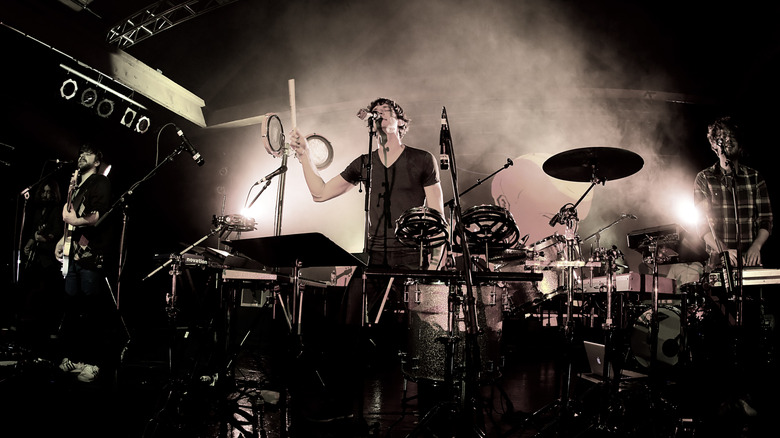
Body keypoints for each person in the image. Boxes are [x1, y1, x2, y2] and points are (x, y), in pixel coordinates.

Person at [288, 97, 445, 426]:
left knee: (427, 332)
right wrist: (304, 156)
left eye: (387, 110)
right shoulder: (365, 163)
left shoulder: (422, 159)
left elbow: (439, 217)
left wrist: (435, 261)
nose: (381, 114)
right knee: (348, 328)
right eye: (377, 112)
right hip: (374, 256)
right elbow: (320, 193)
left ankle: (435, 410)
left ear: (400, 121)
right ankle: (341, 403)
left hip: (413, 255)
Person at [692, 115, 774, 434]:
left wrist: (755, 246)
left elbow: (767, 218)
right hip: (719, 264)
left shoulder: (754, 178)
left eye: (732, 138)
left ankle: (747, 395)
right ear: (714, 145)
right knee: (720, 334)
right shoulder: (704, 179)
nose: (728, 143)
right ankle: (722, 398)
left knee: (751, 333)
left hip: (750, 266)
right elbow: (700, 225)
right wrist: (723, 250)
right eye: (722, 139)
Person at [54, 143, 113, 383]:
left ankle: (95, 363)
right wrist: (62, 239)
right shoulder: (78, 186)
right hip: (73, 253)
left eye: (87, 153)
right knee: (72, 309)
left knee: (90, 310)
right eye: (80, 153)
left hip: (90, 254)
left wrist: (73, 220)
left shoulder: (100, 183)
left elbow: (96, 216)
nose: (81, 156)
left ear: (97, 161)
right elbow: (72, 219)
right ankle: (75, 358)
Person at [17, 179, 64, 340]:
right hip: (37, 256)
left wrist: (40, 238)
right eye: (43, 191)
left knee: (47, 293)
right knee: (30, 289)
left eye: (49, 191)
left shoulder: (57, 210)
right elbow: (33, 231)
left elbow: (56, 234)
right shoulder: (39, 210)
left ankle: (49, 329)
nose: (45, 194)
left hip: (50, 257)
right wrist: (30, 243)